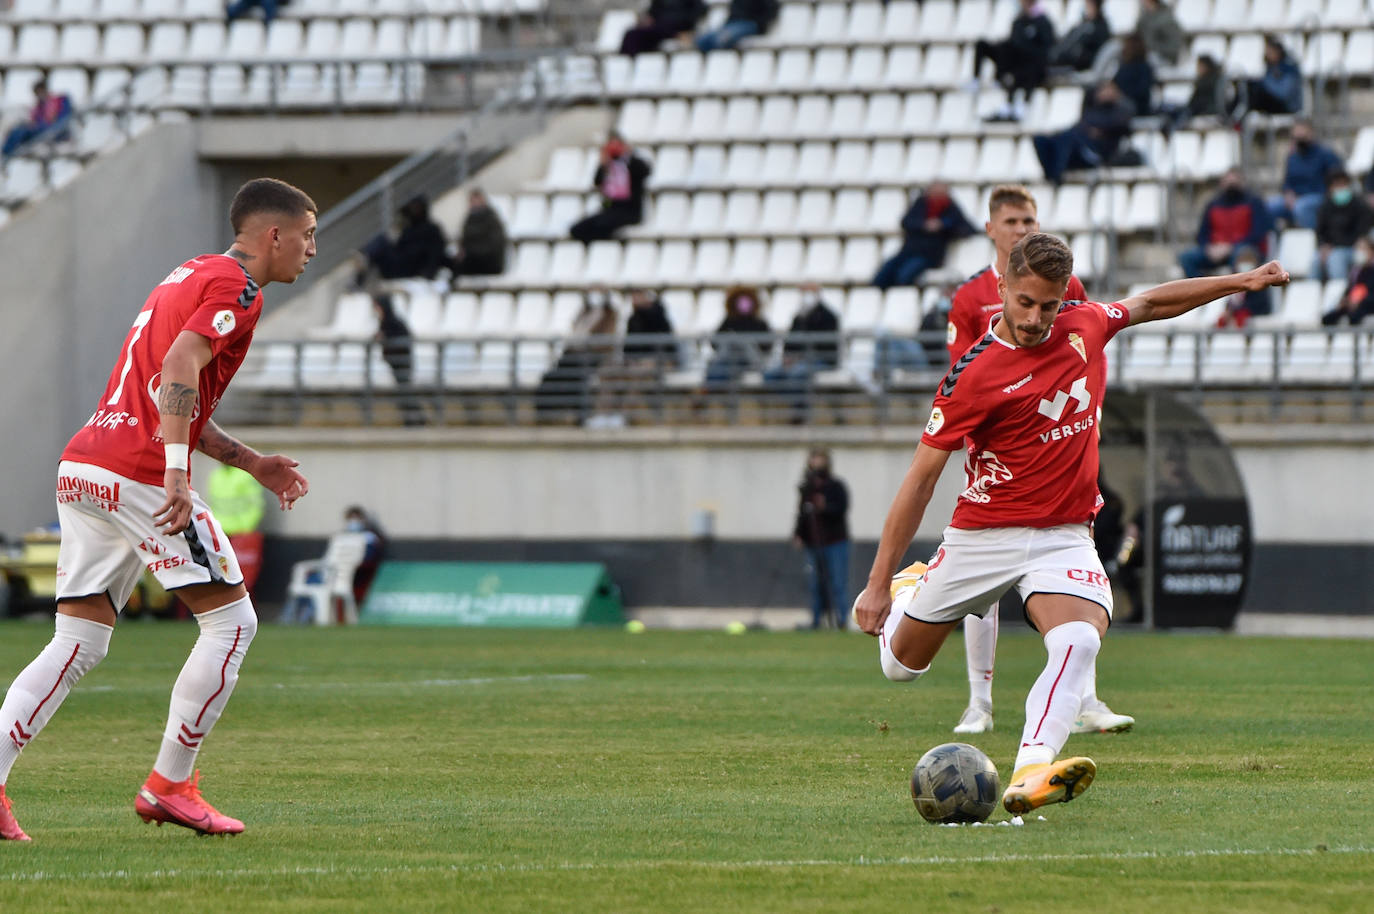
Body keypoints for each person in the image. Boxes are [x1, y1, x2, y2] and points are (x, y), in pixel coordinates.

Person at [854, 233, 1290, 816]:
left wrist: (1238, 281)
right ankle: (913, 587)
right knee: (900, 667)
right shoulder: (973, 377)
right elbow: (920, 480)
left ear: (1065, 297)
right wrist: (880, 583)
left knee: (1080, 639)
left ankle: (1032, 768)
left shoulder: (1083, 326)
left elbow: (1150, 303)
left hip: (1063, 535)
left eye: (1049, 305)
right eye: (1026, 302)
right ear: (1003, 288)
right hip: (982, 536)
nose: (1036, 318)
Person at [0, 178, 317, 842]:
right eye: (308, 235)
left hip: (85, 462)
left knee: (77, 639)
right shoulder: (239, 289)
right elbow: (179, 366)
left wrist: (251, 462)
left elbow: (172, 394)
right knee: (232, 624)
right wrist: (176, 476)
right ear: (274, 236)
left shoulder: (190, 274)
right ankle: (170, 785)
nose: (313, 250)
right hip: (140, 472)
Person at [944, 187, 1130, 738]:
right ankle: (980, 701)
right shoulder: (969, 297)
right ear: (990, 229)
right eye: (1012, 220)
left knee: (1077, 559)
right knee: (982, 575)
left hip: (1054, 438)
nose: (1022, 228)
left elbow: (1083, 343)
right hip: (997, 448)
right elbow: (962, 376)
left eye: (1029, 218)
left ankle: (1088, 699)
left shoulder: (1065, 285)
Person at [872, 183, 976, 290]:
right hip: (907, 252)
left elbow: (969, 229)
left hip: (929, 256)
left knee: (904, 276)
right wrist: (923, 225)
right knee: (882, 275)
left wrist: (943, 225)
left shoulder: (951, 208)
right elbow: (905, 222)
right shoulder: (921, 204)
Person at [1031, 80, 1136, 185]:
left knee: (1068, 138)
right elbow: (1080, 126)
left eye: (1109, 89)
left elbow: (1123, 127)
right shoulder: (1090, 110)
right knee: (1040, 139)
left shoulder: (1121, 110)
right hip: (1077, 149)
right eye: (1103, 89)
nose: (1105, 93)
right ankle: (1051, 174)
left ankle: (1057, 176)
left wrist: (1101, 131)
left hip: (1095, 153)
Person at [764, 283, 840, 424]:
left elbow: (828, 345)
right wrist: (788, 358)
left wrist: (802, 357)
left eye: (810, 293)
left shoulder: (828, 316)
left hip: (822, 360)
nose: (807, 297)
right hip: (797, 361)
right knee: (770, 375)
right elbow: (790, 342)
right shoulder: (799, 317)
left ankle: (800, 412)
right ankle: (798, 401)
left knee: (797, 373)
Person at [792, 449, 850, 630]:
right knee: (815, 583)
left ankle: (841, 620)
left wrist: (825, 506)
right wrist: (799, 534)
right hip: (813, 543)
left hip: (835, 541)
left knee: (838, 582)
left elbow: (841, 509)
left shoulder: (836, 486)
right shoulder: (807, 488)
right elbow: (802, 513)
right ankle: (816, 620)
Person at [1178, 167, 1272, 278]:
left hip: (1243, 250)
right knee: (1186, 258)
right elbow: (1202, 235)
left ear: (1242, 182)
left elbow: (1258, 234)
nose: (1231, 185)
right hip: (1216, 251)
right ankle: (1204, 290)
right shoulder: (1213, 205)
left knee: (1243, 258)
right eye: (1228, 182)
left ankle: (1239, 294)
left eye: (1234, 181)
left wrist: (1230, 248)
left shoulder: (1254, 203)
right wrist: (1209, 248)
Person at [973, 0, 1056, 123]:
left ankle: (1021, 104)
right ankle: (982, 81)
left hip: (1034, 67)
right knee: (995, 47)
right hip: (1017, 65)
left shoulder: (1043, 22)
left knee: (1029, 68)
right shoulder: (1018, 22)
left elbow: (1047, 50)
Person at [570, 133, 652, 243]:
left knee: (602, 225)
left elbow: (645, 171)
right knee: (577, 229)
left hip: (630, 211)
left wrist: (628, 155)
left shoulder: (632, 164)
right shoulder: (608, 166)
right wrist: (604, 164)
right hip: (610, 209)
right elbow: (597, 182)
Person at [354, 194, 448, 286]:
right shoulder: (409, 229)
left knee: (382, 241)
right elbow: (399, 246)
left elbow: (436, 254)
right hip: (400, 264)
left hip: (411, 268)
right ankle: (362, 266)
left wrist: (428, 274)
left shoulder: (431, 230)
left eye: (416, 208)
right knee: (381, 242)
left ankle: (365, 258)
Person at [1268, 120, 1344, 231]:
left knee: (1301, 207)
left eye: (1303, 134)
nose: (1299, 138)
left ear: (1311, 134)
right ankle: (1279, 240)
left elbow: (1337, 178)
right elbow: (1287, 182)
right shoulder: (1293, 157)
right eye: (1296, 135)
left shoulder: (1325, 154)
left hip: (1318, 196)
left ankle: (1315, 237)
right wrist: (1288, 193)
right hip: (1294, 197)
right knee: (1269, 207)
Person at [204, 464, 265, 598]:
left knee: (243, 577)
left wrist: (246, 527)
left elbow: (255, 504)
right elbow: (213, 503)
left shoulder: (245, 475)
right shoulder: (215, 475)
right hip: (221, 532)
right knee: (221, 574)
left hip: (242, 533)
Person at [703, 285, 770, 393]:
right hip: (728, 360)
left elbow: (767, 345)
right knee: (718, 369)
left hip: (750, 362)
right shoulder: (729, 321)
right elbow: (714, 343)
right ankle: (710, 391)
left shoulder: (760, 323)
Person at [372, 293, 426, 427]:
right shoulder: (385, 322)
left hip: (402, 363)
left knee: (406, 391)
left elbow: (403, 340)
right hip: (394, 363)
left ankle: (416, 420)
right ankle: (411, 420)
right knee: (403, 392)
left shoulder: (394, 322)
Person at [1311, 170, 1373, 283]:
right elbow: (1320, 232)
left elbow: (1362, 233)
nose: (1341, 188)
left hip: (1352, 247)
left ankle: (1339, 292)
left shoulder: (1359, 205)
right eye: (1337, 185)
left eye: (1343, 184)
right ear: (1330, 188)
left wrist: (1334, 246)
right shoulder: (1325, 206)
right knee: (1314, 261)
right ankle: (1311, 294)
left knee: (1336, 258)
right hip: (1331, 247)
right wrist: (1323, 246)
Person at [1232, 35, 1303, 119]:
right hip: (1274, 103)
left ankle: (1236, 120)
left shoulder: (1289, 68)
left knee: (1254, 91)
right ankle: (1233, 116)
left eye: (1270, 51)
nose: (1267, 54)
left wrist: (1263, 83)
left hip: (1287, 107)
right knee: (1247, 88)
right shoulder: (1271, 66)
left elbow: (1283, 93)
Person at [449, 189, 508, 282]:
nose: (474, 204)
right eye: (472, 201)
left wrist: (470, 252)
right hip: (473, 260)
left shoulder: (491, 219)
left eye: (476, 201)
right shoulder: (469, 220)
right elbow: (464, 241)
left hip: (489, 262)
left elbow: (495, 245)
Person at [2, 79, 73, 157]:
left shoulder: (59, 100)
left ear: (45, 90)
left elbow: (62, 119)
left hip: (50, 129)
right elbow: (35, 120)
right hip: (39, 129)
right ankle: (6, 151)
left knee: (20, 131)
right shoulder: (39, 106)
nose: (39, 95)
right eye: (36, 94)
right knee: (17, 129)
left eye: (39, 92)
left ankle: (5, 152)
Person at [1214, 247, 1274, 328]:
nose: (1245, 265)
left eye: (1249, 261)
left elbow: (1261, 304)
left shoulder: (1261, 281)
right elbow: (1232, 301)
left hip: (1255, 320)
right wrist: (1229, 311)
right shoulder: (1235, 282)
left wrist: (1240, 311)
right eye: (1243, 261)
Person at [621, 0, 706, 56]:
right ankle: (629, 63)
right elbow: (652, 13)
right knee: (631, 34)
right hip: (658, 28)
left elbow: (700, 10)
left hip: (679, 27)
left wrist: (685, 23)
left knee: (663, 27)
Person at [1321, 237, 1374, 326]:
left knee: (1353, 316)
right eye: (1358, 248)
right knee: (1328, 318)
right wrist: (1345, 300)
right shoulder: (1356, 271)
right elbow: (1350, 289)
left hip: (1367, 304)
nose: (1360, 252)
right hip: (1353, 303)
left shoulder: (1371, 270)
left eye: (1363, 248)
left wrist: (1360, 301)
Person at [1048, 0, 1111, 73]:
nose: (1086, 8)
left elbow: (1089, 56)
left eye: (1088, 4)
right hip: (1062, 60)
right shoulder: (1083, 25)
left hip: (1077, 67)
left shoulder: (1099, 27)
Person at [695, 0, 779, 52]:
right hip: (732, 24)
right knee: (702, 39)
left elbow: (771, 11)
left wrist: (760, 24)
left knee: (724, 38)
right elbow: (732, 14)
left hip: (750, 24)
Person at [1112, 33, 1156, 119]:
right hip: (1120, 103)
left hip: (1136, 106)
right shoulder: (1123, 67)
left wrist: (1120, 94)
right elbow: (1114, 83)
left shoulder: (1144, 67)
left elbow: (1142, 91)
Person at [1136, 0, 1183, 68]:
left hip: (1164, 57)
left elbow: (1174, 44)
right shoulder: (1145, 17)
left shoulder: (1166, 18)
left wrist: (1154, 47)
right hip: (1145, 54)